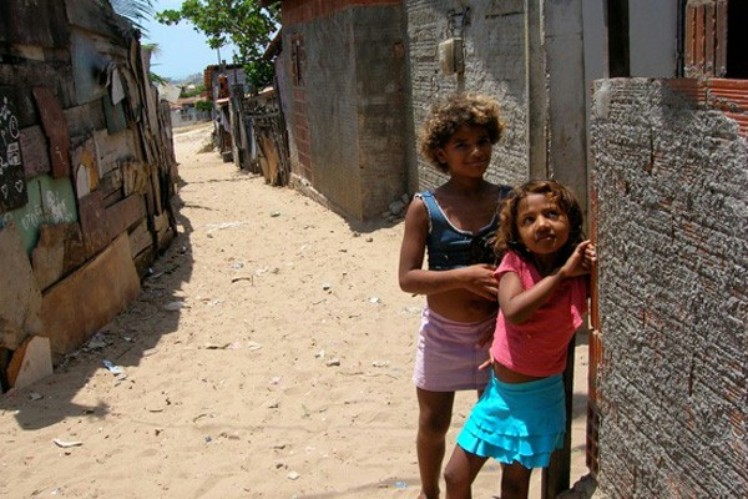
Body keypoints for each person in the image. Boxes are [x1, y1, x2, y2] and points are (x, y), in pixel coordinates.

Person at [443, 179, 596, 499]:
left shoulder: (579, 275)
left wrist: (575, 271)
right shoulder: (516, 265)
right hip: (500, 393)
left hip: (540, 395)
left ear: (570, 219)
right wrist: (562, 274)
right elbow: (513, 310)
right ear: (517, 233)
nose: (542, 225)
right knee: (455, 474)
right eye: (529, 220)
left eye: (552, 214)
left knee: (514, 487)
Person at [398, 92, 512, 499]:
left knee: (498, 424)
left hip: (495, 336)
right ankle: (428, 493)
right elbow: (408, 279)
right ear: (440, 152)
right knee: (433, 422)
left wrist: (503, 322)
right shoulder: (425, 207)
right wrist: (461, 277)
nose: (476, 151)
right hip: (442, 335)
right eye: (461, 145)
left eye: (482, 141)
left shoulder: (509, 201)